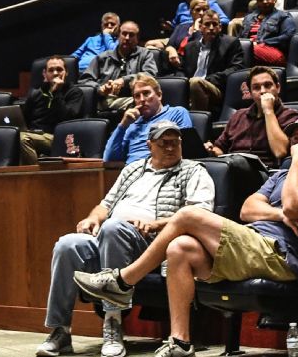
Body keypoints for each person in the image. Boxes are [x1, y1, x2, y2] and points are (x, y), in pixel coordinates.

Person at [73, 117, 298, 357]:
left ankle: (123, 281)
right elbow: (247, 210)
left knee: (188, 215)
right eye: (296, 139)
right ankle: (180, 341)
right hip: (254, 244)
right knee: (180, 247)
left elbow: (294, 205)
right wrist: (281, 215)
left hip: (282, 256)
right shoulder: (280, 176)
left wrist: (297, 163)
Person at [36, 120, 215, 357]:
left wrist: (156, 224)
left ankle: (113, 323)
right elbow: (105, 205)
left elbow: (199, 215)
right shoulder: (132, 170)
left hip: (153, 243)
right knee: (67, 245)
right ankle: (60, 330)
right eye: (164, 143)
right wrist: (93, 219)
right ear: (150, 145)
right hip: (112, 234)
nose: (171, 148)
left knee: (113, 228)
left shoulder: (194, 171)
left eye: (175, 142)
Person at [204, 66, 297, 167]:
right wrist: (211, 150)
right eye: (256, 87)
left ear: (278, 88)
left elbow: (280, 152)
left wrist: (268, 111)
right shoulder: (238, 116)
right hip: (232, 168)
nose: (263, 91)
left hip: (266, 171)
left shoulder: (290, 116)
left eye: (267, 85)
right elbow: (220, 148)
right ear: (250, 93)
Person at [103, 75, 194, 164]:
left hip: (163, 168)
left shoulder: (177, 113)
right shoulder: (131, 123)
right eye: (137, 96)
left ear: (159, 95)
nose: (142, 99)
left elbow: (186, 150)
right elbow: (109, 159)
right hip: (132, 170)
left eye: (146, 93)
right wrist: (123, 125)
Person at [80, 21, 159, 113]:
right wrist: (100, 89)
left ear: (137, 39)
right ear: (118, 36)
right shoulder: (103, 57)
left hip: (133, 100)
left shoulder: (145, 54)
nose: (127, 38)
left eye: (131, 35)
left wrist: (124, 80)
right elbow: (85, 80)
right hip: (104, 99)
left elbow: (150, 75)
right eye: (124, 34)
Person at [19, 56, 86, 163]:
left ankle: (35, 172)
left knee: (23, 138)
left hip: (60, 138)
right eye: (51, 70)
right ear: (44, 74)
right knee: (14, 137)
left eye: (59, 69)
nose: (55, 73)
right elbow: (24, 120)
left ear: (66, 72)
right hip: (35, 134)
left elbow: (68, 119)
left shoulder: (75, 93)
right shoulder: (36, 94)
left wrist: (56, 93)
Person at [175, 10, 243, 115]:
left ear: (220, 27)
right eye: (207, 24)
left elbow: (236, 68)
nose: (211, 28)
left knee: (196, 82)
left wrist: (209, 79)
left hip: (216, 88)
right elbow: (180, 69)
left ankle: (198, 121)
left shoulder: (231, 43)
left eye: (214, 24)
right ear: (200, 27)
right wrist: (183, 82)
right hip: (189, 86)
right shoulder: (190, 47)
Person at [238, 0, 296, 65]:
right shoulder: (248, 18)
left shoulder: (283, 16)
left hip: (274, 51)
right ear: (257, 1)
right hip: (250, 50)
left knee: (246, 50)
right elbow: (240, 38)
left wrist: (262, 42)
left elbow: (288, 36)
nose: (265, 2)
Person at [165, 0, 229, 33]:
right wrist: (169, 26)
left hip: (199, 34)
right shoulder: (181, 6)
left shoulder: (210, 4)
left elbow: (225, 20)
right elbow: (175, 25)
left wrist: (205, 23)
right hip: (179, 35)